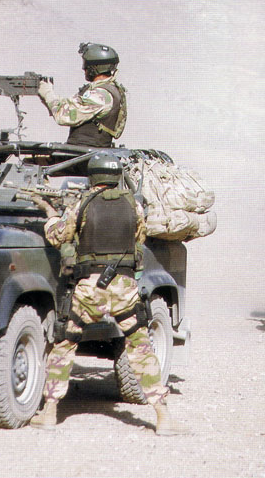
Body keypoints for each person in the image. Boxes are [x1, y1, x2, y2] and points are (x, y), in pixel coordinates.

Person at [26, 153, 186, 436]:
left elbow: (59, 236)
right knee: (140, 346)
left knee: (66, 342)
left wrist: (50, 215)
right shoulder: (134, 205)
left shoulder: (82, 204)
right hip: (124, 285)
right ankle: (163, 417)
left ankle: (49, 412)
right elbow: (139, 238)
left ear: (93, 176)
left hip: (90, 287)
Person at [38, 42, 127, 147]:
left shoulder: (100, 96)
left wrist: (48, 93)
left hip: (84, 152)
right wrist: (46, 96)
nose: (83, 69)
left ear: (94, 68)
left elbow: (63, 116)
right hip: (83, 150)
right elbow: (69, 104)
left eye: (86, 65)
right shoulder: (104, 90)